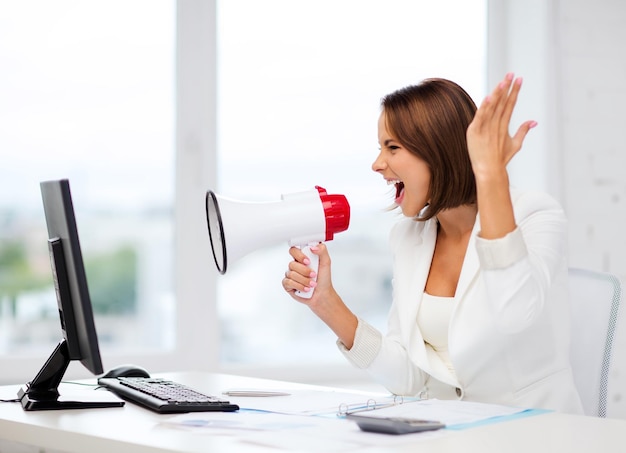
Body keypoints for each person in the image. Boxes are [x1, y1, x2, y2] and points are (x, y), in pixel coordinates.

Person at [282, 73, 584, 414]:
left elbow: (515, 313)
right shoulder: (408, 237)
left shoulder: (535, 216)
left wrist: (490, 174)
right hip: (451, 431)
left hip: (535, 433)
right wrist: (325, 302)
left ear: (439, 151)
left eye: (392, 147)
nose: (377, 164)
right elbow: (409, 379)